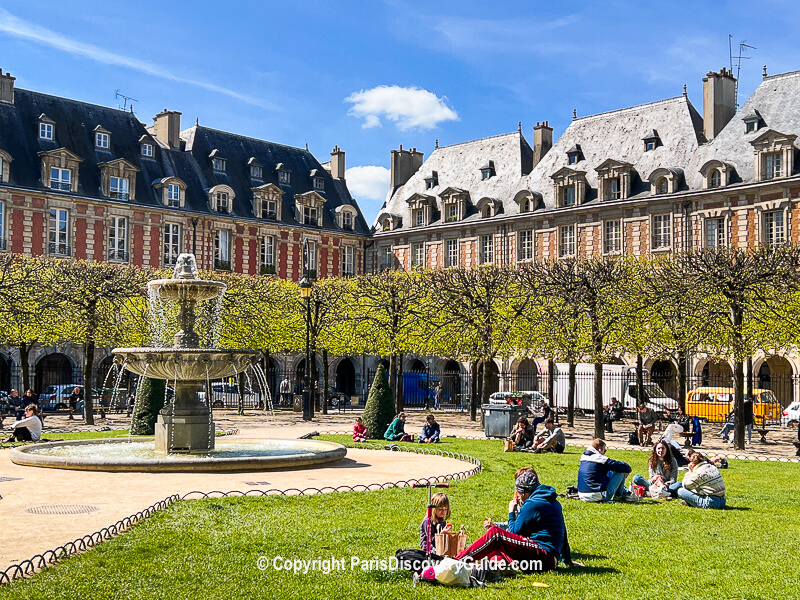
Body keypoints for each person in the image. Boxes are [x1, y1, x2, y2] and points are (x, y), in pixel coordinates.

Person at [456, 470, 580, 572]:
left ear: (524, 492)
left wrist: (511, 512)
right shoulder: (554, 502)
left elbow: (514, 532)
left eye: (519, 493)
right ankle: (497, 566)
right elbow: (563, 534)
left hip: (543, 558)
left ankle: (456, 561)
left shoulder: (532, 504)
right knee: (495, 550)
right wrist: (567, 560)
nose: (519, 496)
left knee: (496, 534)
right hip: (549, 560)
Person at [577, 438, 637, 503]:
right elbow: (625, 467)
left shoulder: (583, 458)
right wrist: (627, 471)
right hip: (597, 495)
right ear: (600, 450)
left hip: (582, 495)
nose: (604, 453)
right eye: (604, 451)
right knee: (621, 471)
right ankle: (620, 494)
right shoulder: (600, 459)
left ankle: (623, 493)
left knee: (610, 471)